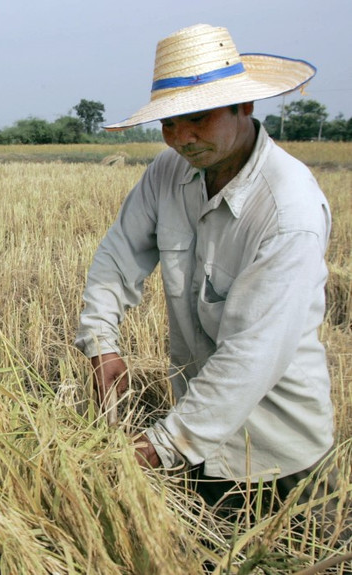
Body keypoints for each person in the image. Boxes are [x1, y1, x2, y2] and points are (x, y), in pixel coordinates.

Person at [74, 24, 338, 514]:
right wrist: (100, 342)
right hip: (199, 447)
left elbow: (251, 355)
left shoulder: (288, 212)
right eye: (169, 124)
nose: (181, 138)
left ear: (245, 107)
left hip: (278, 462)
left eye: (196, 118)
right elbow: (118, 254)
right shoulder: (168, 172)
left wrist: (160, 445)